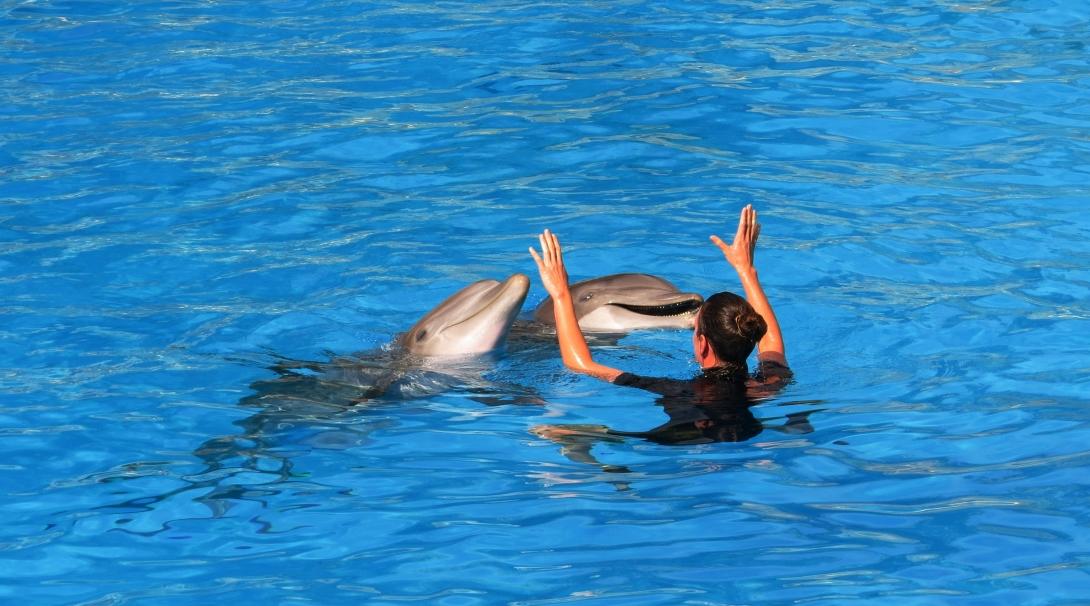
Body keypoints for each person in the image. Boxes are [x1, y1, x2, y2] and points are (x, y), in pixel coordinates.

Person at [528, 205, 793, 448]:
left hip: (679, 441)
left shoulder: (678, 390)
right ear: (751, 333)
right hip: (752, 436)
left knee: (563, 433)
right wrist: (747, 271)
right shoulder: (769, 382)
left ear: (701, 344)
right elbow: (771, 344)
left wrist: (561, 293)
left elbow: (582, 364)